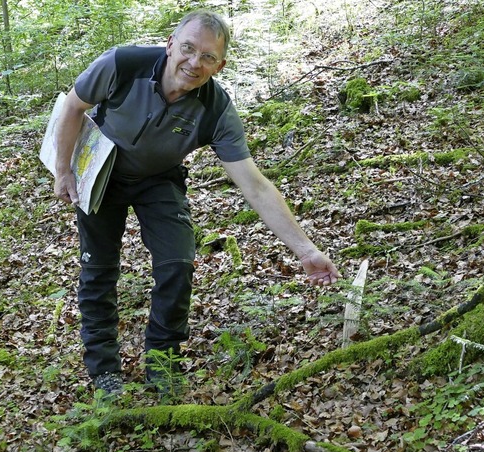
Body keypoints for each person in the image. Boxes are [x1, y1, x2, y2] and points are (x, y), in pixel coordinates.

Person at [53, 10, 341, 395]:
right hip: (100, 172)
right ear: (170, 44)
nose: (194, 62)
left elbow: (254, 185)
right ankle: (105, 371)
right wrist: (63, 170)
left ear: (220, 65)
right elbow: (73, 107)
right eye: (188, 48)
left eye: (208, 57)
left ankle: (163, 363)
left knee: (178, 263)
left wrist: (306, 250)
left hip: (159, 179)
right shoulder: (123, 64)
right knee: (99, 270)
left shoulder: (216, 109)